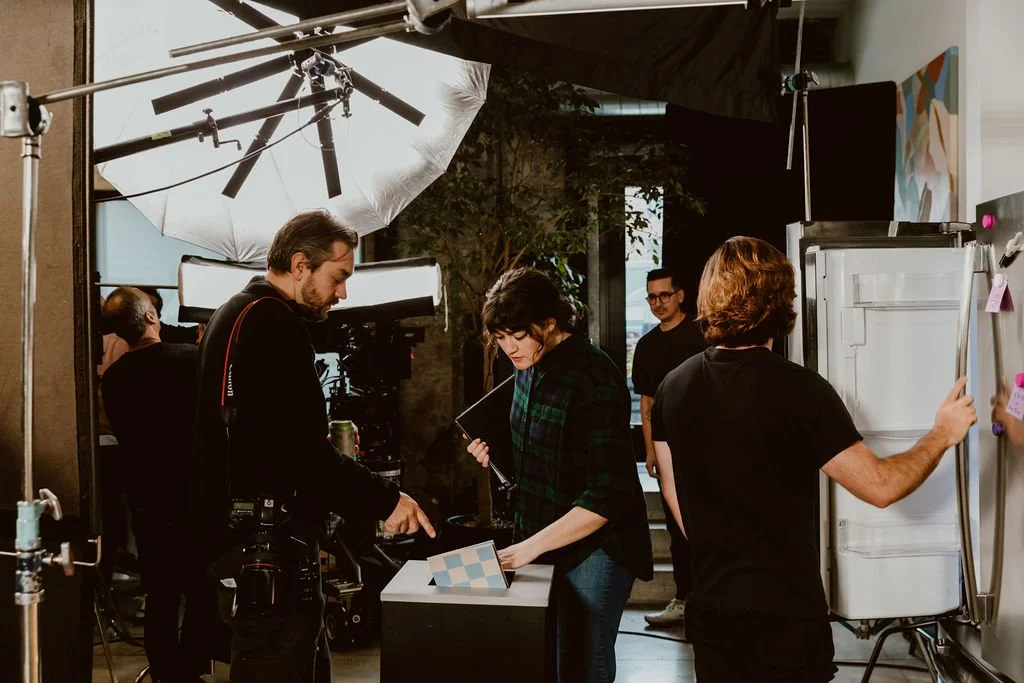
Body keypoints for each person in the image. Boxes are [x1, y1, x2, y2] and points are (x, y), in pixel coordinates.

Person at [651, 237, 976, 683]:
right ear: (780, 301)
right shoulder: (800, 391)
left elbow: (676, 499)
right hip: (783, 617)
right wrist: (942, 434)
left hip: (712, 615)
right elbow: (880, 486)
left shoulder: (673, 386)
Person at [193, 209, 435, 683]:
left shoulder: (232, 312)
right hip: (271, 545)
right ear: (301, 264)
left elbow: (260, 434)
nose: (342, 293)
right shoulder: (274, 324)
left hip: (239, 537)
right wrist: (386, 499)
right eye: (338, 277)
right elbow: (303, 455)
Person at [467, 267, 652, 683]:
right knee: (543, 658)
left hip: (596, 548)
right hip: (541, 534)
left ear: (549, 323)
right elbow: (543, 454)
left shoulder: (594, 378)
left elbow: (606, 495)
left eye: (517, 335)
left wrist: (528, 548)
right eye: (499, 338)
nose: (508, 348)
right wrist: (497, 457)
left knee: (583, 664)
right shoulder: (527, 364)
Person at [101, 287, 218, 682]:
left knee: (161, 595)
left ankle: (167, 675)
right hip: (194, 495)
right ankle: (193, 669)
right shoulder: (191, 360)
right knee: (202, 589)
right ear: (151, 317)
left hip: (147, 501)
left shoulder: (113, 379)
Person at [631, 268, 706, 628]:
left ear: (681, 295)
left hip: (706, 448)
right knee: (678, 530)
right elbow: (646, 404)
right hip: (667, 450)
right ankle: (683, 599)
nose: (657, 303)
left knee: (710, 524)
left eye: (663, 295)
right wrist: (649, 450)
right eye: (651, 297)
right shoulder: (647, 346)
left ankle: (710, 602)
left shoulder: (703, 335)